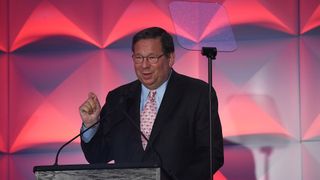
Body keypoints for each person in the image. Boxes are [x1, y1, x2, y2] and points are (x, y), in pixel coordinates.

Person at [79, 27, 224, 180]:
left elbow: (211, 155)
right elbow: (97, 156)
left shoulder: (197, 94)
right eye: (139, 58)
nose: (144, 65)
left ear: (170, 58)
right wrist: (91, 126)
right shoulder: (119, 98)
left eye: (152, 58)